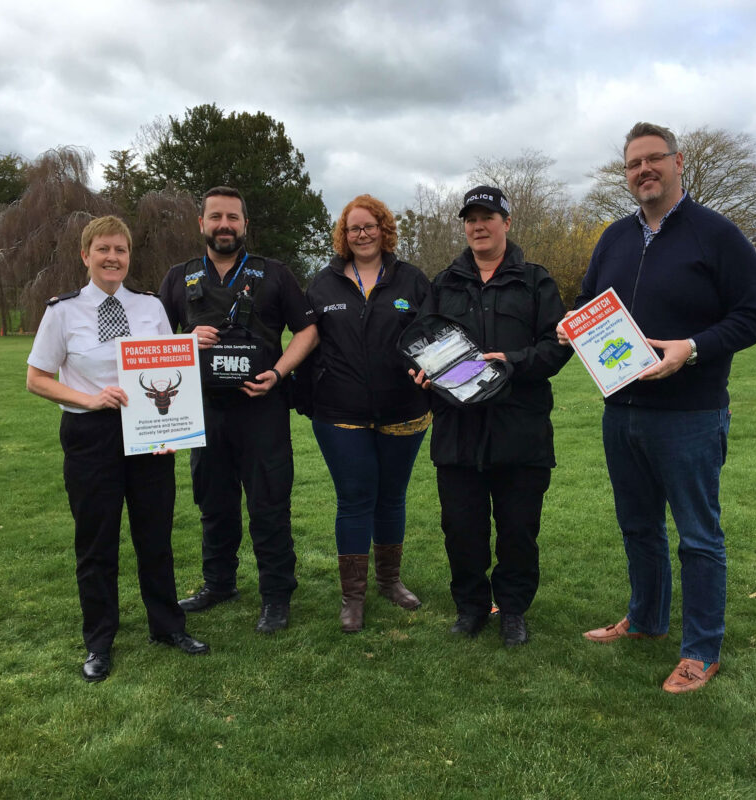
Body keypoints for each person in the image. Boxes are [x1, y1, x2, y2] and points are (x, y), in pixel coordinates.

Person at [558, 122, 756, 693]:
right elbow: (588, 301)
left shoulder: (717, 235)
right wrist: (573, 327)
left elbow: (754, 316)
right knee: (638, 526)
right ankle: (647, 621)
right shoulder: (613, 237)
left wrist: (693, 348)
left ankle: (701, 650)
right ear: (625, 174)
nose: (643, 170)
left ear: (679, 164)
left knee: (699, 536)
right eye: (633, 164)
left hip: (691, 414)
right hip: (621, 409)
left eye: (654, 160)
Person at [26, 215, 209, 683]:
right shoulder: (62, 312)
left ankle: (167, 627)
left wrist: (174, 431)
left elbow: (174, 366)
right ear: (85, 256)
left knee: (155, 537)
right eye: (103, 249)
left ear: (129, 257)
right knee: (97, 542)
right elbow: (36, 379)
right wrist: (89, 398)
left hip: (149, 433)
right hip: (92, 436)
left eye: (120, 250)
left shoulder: (150, 308)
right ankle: (100, 640)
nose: (112, 258)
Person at [412, 186, 571, 646]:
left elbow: (556, 348)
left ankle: (514, 610)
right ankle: (471, 607)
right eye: (471, 219)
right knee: (462, 530)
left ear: (506, 222)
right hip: (458, 433)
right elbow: (422, 342)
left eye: (487, 217)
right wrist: (421, 372)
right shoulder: (444, 283)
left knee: (519, 530)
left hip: (519, 430)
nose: (478, 226)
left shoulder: (535, 280)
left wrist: (513, 362)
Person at [158, 187, 318, 634]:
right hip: (204, 409)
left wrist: (280, 372)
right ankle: (219, 583)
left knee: (269, 502)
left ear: (245, 224)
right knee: (214, 502)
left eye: (233, 217)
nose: (224, 224)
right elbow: (151, 344)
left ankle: (276, 594)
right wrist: (184, 342)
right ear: (202, 224)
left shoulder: (275, 274)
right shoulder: (179, 277)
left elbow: (308, 331)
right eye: (215, 217)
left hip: (260, 408)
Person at [305, 195, 430, 633]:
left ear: (384, 229)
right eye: (353, 228)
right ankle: (352, 598)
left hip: (403, 409)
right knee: (356, 499)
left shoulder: (412, 280)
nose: (362, 234)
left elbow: (431, 338)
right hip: (340, 412)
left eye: (370, 226)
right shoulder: (323, 284)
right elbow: (307, 340)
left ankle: (390, 582)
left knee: (391, 498)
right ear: (344, 234)